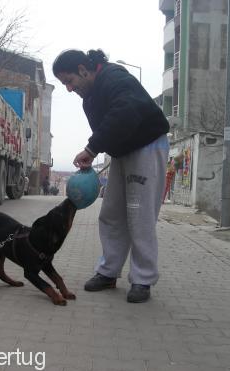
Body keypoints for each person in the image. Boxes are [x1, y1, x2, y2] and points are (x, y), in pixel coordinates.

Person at [53, 49, 170, 303]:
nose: (69, 89)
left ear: (84, 70)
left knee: (139, 214)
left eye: (70, 81)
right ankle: (108, 272)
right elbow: (111, 129)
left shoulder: (115, 78)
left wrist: (91, 148)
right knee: (111, 213)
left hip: (147, 147)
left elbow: (125, 113)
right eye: (64, 85)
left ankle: (143, 279)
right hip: (123, 152)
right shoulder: (90, 97)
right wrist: (95, 152)